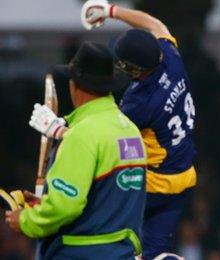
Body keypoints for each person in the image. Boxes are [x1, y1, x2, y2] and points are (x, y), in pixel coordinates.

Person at [6, 42, 147, 259]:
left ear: (74, 85)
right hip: (122, 253)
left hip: (81, 253)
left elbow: (66, 207)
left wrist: (26, 220)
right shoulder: (131, 131)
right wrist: (46, 204)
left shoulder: (81, 135)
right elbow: (109, 199)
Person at [80, 2, 198, 259]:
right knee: (153, 254)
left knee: (94, 222)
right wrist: (111, 11)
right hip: (185, 179)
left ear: (135, 70)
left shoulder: (140, 103)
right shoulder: (170, 58)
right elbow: (155, 25)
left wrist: (58, 129)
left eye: (122, 64)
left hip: (152, 185)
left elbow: (102, 134)